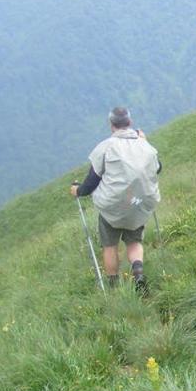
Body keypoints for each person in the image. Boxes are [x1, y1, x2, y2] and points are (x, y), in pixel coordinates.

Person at [70, 107, 161, 293]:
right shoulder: (145, 146)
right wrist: (145, 141)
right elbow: (157, 169)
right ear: (130, 122)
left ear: (112, 125)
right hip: (137, 203)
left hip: (112, 206)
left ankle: (113, 287)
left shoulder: (105, 148)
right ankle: (138, 273)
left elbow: (90, 184)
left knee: (109, 245)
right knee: (134, 242)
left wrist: (77, 190)